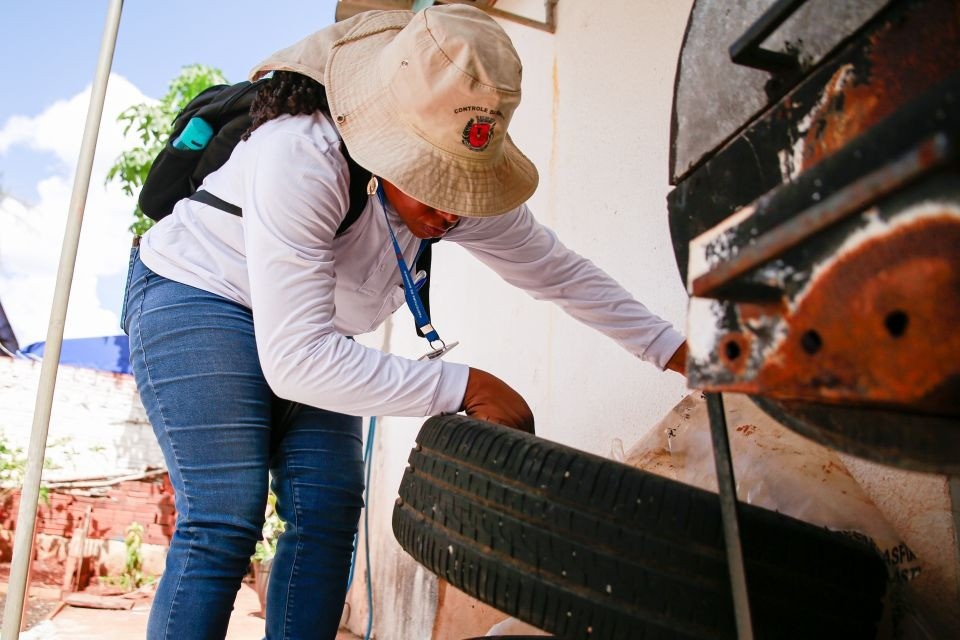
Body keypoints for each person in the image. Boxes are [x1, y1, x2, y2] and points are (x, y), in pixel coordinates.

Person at [123, 5, 687, 639]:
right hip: (200, 295)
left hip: (312, 334)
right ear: (385, 142)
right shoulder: (301, 156)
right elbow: (298, 362)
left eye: (463, 184)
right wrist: (466, 385)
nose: (453, 209)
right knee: (226, 514)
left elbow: (559, 272)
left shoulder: (461, 186)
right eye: (433, 180)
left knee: (329, 508)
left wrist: (681, 353)